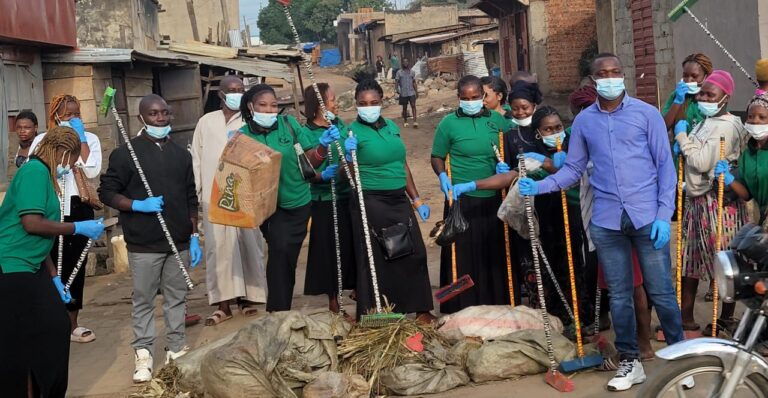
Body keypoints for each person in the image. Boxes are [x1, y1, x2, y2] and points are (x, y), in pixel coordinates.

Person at [518, 53, 685, 392]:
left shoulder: (647, 114)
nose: (610, 78)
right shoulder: (584, 123)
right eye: (602, 74)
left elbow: (666, 168)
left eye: (615, 72)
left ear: (623, 75)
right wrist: (540, 185)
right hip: (607, 221)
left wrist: (663, 214)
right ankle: (629, 362)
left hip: (647, 217)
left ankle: (683, 359)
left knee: (662, 292)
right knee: (620, 296)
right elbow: (573, 169)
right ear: (593, 81)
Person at [99, 94, 202, 383]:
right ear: (142, 118)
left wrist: (193, 234)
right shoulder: (125, 153)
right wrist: (136, 205)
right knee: (143, 299)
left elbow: (191, 196)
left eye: (165, 113)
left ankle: (176, 348)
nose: (161, 119)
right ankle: (143, 354)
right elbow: (106, 192)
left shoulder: (182, 154)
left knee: (177, 298)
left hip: (178, 241)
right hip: (144, 243)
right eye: (154, 114)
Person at [0, 127, 105, 397]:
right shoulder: (34, 172)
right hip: (12, 265)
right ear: (61, 152)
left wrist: (54, 275)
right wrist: (77, 228)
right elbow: (32, 223)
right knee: (25, 340)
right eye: (70, 160)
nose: (70, 166)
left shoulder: (45, 176)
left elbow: (41, 235)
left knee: (54, 327)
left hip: (32, 265)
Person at [238, 84, 338, 312]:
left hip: (297, 202)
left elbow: (311, 161)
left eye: (273, 105)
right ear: (251, 107)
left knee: (283, 254)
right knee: (281, 252)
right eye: (263, 105)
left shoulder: (289, 126)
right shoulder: (243, 135)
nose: (269, 110)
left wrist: (322, 147)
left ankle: (278, 310)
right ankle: (279, 310)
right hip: (267, 208)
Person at [343, 79, 435, 323]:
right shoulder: (351, 132)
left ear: (382, 102)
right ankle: (378, 312)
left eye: (373, 102)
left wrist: (416, 199)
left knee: (415, 252)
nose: (368, 107)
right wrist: (348, 155)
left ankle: (422, 308)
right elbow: (347, 175)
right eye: (363, 104)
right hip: (370, 200)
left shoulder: (392, 127)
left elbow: (402, 165)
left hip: (398, 198)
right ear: (356, 105)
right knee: (380, 256)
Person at [430, 75, 513, 313]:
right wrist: (442, 176)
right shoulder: (448, 123)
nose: (470, 101)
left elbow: (510, 149)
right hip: (460, 199)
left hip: (493, 196)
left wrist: (504, 165)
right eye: (465, 98)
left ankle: (494, 302)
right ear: (458, 98)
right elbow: (437, 156)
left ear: (483, 96)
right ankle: (457, 304)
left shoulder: (498, 121)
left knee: (492, 252)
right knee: (460, 254)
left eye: (475, 97)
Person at [675, 70, 748, 335]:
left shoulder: (725, 126)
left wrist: (682, 139)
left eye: (710, 94)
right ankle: (685, 317)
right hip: (698, 202)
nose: (703, 97)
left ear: (725, 98)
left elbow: (700, 161)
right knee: (690, 261)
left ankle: (725, 319)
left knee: (723, 262)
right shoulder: (707, 119)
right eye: (702, 92)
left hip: (717, 205)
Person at [191, 75, 267, 326]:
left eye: (240, 89)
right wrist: (199, 193)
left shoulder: (251, 121)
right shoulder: (206, 122)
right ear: (221, 94)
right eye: (232, 90)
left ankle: (248, 299)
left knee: (248, 245)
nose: (236, 93)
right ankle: (223, 304)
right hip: (214, 195)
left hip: (244, 193)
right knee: (218, 249)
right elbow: (197, 160)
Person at [28, 94, 102, 344]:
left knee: (75, 266)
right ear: (56, 115)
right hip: (51, 205)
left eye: (76, 113)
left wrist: (80, 139)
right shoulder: (42, 140)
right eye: (66, 114)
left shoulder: (90, 138)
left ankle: (72, 324)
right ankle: (50, 320)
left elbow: (91, 168)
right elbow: (34, 169)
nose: (71, 118)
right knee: (50, 265)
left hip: (77, 206)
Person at [520, 106, 592, 327]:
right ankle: (557, 316)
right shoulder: (533, 156)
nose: (555, 133)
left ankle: (581, 316)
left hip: (574, 212)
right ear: (538, 133)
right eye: (548, 129)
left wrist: (552, 165)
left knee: (576, 266)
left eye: (558, 127)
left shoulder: (575, 147)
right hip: (548, 217)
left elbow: (572, 177)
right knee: (552, 266)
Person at [301, 83, 357, 314]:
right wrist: (321, 175)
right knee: (329, 251)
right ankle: (334, 300)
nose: (336, 104)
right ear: (319, 105)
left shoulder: (339, 125)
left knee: (351, 246)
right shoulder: (306, 133)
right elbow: (304, 169)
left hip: (346, 195)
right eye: (332, 100)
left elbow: (349, 156)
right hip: (324, 200)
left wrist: (350, 152)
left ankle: (357, 289)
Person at [662, 53, 712, 132]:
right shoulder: (677, 95)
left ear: (706, 76)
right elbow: (663, 127)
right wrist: (677, 102)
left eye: (694, 76)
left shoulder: (712, 98)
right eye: (685, 75)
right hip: (680, 143)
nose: (688, 80)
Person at [396, 58, 418, 128]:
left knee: (413, 105)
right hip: (403, 93)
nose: (405, 63)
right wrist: (397, 89)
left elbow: (414, 82)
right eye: (404, 62)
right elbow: (396, 81)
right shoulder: (399, 72)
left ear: (408, 63)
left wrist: (416, 91)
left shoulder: (412, 72)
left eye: (406, 62)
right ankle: (405, 121)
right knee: (404, 108)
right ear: (402, 63)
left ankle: (415, 121)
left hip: (411, 92)